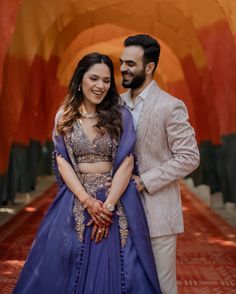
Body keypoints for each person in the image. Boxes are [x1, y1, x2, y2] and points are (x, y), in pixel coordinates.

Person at [13, 52, 161, 294]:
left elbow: (126, 161)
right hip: (76, 198)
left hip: (118, 199)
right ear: (80, 78)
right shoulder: (65, 117)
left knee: (125, 265)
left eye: (106, 81)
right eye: (94, 78)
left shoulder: (120, 115)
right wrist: (87, 201)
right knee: (62, 260)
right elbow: (63, 161)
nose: (100, 86)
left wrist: (108, 207)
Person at [120, 34, 200, 294]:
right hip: (117, 210)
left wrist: (145, 181)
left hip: (158, 212)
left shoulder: (170, 106)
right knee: (123, 282)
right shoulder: (114, 104)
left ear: (150, 67)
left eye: (131, 63)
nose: (123, 68)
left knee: (162, 287)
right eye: (122, 62)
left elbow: (189, 156)